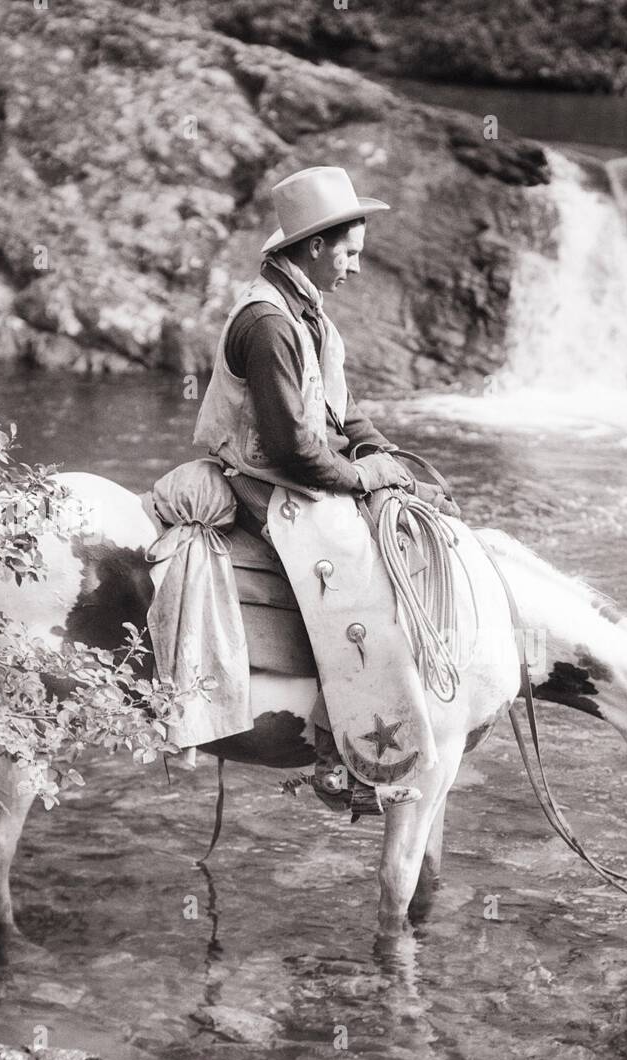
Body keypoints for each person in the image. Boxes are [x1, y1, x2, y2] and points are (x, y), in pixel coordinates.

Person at [193, 166, 455, 811]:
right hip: (262, 477)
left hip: (295, 465)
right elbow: (293, 449)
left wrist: (382, 452)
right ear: (314, 246)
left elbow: (335, 408)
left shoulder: (304, 310)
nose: (357, 268)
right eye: (351, 252)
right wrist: (364, 476)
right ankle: (349, 755)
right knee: (356, 567)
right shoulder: (269, 323)